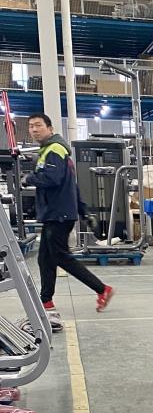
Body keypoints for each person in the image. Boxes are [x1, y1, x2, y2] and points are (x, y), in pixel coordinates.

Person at [23, 113, 113, 327]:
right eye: (31, 126)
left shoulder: (54, 150)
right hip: (56, 214)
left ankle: (102, 289)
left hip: (58, 214)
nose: (34, 130)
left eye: (38, 125)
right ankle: (46, 302)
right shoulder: (52, 151)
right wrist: (84, 211)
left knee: (61, 257)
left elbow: (52, 179)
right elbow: (72, 186)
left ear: (50, 128)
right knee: (45, 259)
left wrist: (29, 178)